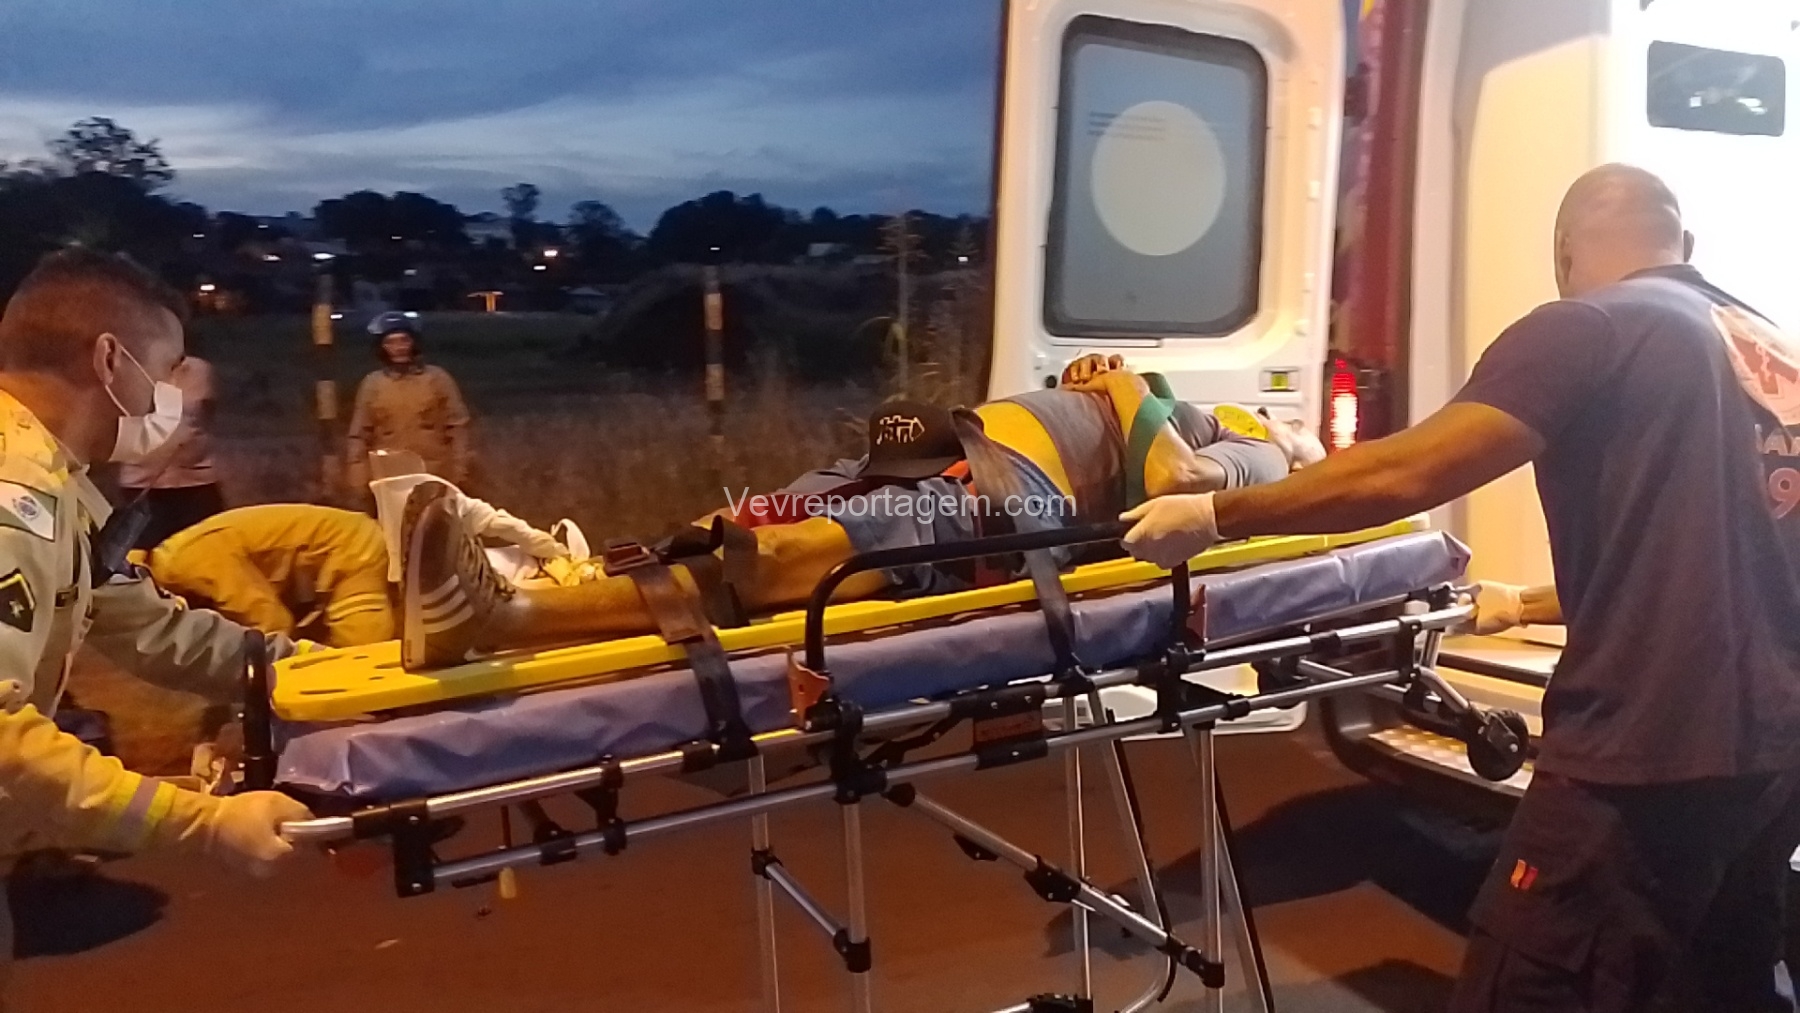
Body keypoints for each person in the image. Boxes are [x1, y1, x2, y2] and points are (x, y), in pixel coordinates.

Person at [1117, 164, 1800, 1011]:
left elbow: (1411, 471)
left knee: (1526, 984)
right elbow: (1727, 555)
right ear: (1683, 245)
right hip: (1776, 756)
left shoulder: (1590, 325)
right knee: (1725, 984)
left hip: (1644, 753)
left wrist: (1219, 512)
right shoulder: (1767, 347)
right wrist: (1524, 602)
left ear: (1562, 252)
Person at [398, 354, 1323, 670]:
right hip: (951, 445)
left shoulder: (1261, 447)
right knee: (752, 515)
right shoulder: (1193, 408)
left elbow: (1179, 481)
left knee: (793, 553)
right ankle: (574, 579)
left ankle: (506, 617)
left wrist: (1123, 387)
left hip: (1007, 497)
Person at [0, 249, 313, 988]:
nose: (174, 397)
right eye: (167, 370)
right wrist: (201, 822)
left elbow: (155, 630)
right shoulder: (14, 500)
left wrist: (327, 674)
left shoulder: (56, 488)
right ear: (111, 360)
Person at [139, 504, 394, 648]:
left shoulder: (189, 563)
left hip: (352, 546)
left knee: (362, 655)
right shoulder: (175, 558)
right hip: (341, 545)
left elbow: (270, 622)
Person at [345, 312, 472, 496]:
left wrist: (460, 469)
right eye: (390, 342)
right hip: (389, 478)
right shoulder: (372, 384)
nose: (399, 348)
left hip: (434, 476)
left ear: (414, 343)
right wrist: (358, 477)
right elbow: (359, 434)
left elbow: (458, 427)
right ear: (381, 347)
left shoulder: (437, 379)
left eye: (404, 340)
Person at [117, 353, 225, 550]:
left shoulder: (200, 369)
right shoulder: (129, 369)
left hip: (197, 482)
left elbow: (209, 414)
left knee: (205, 549)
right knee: (145, 555)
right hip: (143, 485)